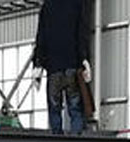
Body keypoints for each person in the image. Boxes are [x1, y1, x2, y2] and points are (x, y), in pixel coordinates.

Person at [33, 0, 92, 135]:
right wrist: (84, 59)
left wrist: (38, 64)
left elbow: (41, 37)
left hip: (53, 68)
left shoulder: (47, 6)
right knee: (75, 108)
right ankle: (76, 138)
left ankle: (57, 140)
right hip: (72, 67)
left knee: (54, 109)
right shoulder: (77, 5)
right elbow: (81, 34)